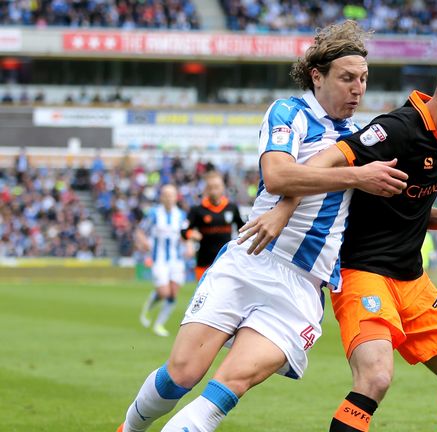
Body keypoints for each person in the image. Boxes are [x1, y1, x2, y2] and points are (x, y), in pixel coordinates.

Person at [116, 20, 408, 432]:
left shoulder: (361, 139)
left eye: (363, 79)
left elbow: (371, 199)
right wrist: (356, 177)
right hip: (252, 260)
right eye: (346, 78)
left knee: (226, 387)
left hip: (302, 287)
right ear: (317, 75)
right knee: (182, 373)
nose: (357, 89)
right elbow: (278, 176)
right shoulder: (291, 113)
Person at [239, 58, 437, 431]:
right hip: (364, 274)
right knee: (375, 379)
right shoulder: (394, 129)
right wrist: (285, 207)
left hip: (411, 280)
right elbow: (326, 161)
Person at [134, 184, 190, 337]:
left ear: (176, 197)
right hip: (159, 260)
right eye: (165, 195)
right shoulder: (153, 213)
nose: (168, 198)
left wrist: (189, 246)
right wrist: (143, 241)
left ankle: (159, 324)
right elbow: (140, 231)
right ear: (161, 197)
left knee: (172, 294)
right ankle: (148, 306)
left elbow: (187, 234)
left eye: (171, 195)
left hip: (177, 260)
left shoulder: (181, 215)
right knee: (164, 292)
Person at [181, 171, 245, 281]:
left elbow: (242, 229)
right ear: (206, 189)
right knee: (203, 297)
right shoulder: (197, 210)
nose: (214, 191)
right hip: (203, 262)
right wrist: (191, 234)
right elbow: (183, 230)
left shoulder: (232, 208)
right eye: (210, 187)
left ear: (223, 187)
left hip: (225, 261)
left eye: (217, 187)